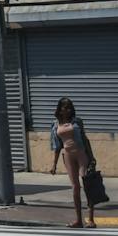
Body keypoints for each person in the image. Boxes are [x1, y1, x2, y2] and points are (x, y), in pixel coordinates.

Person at [48, 97, 96, 229]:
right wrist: (54, 165)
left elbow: (85, 140)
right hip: (67, 155)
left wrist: (91, 157)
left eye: (69, 107)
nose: (67, 109)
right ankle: (78, 220)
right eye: (65, 107)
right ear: (60, 109)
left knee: (87, 184)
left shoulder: (77, 122)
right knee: (75, 187)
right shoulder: (55, 124)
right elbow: (57, 146)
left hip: (81, 154)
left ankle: (91, 219)